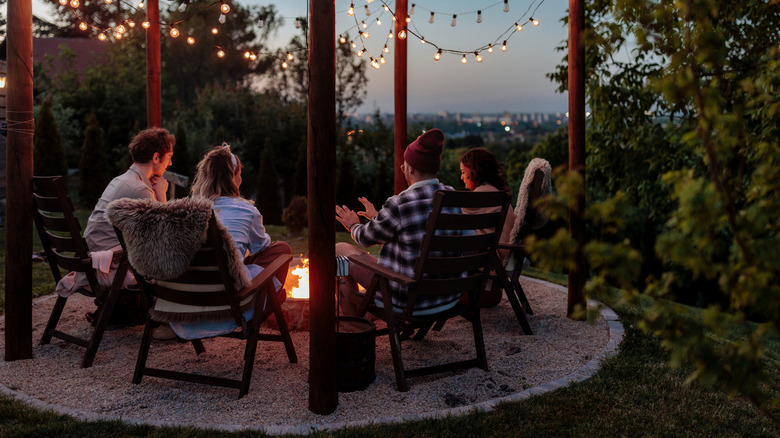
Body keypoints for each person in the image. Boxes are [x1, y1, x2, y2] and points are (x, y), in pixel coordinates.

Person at [335, 129, 462, 317]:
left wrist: (353, 225)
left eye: (404, 164)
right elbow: (415, 229)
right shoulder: (451, 195)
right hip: (447, 299)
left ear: (410, 168)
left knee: (339, 250)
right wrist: (378, 217)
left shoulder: (401, 203)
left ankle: (351, 324)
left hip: (407, 299)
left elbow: (365, 238)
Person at [73, 127, 175, 326]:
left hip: (91, 259)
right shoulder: (138, 189)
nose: (170, 163)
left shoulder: (122, 180)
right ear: (156, 157)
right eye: (169, 157)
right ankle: (174, 318)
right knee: (173, 257)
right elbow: (165, 233)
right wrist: (161, 193)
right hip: (108, 267)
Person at [190, 144, 293, 285]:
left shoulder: (189, 212)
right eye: (239, 174)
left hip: (194, 288)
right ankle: (267, 302)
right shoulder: (246, 210)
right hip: (232, 294)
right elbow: (261, 246)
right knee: (282, 249)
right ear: (234, 178)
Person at [459, 147, 517, 307]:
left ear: (474, 171)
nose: (461, 177)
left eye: (464, 172)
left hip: (493, 260)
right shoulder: (498, 193)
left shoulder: (480, 196)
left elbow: (453, 218)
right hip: (505, 256)